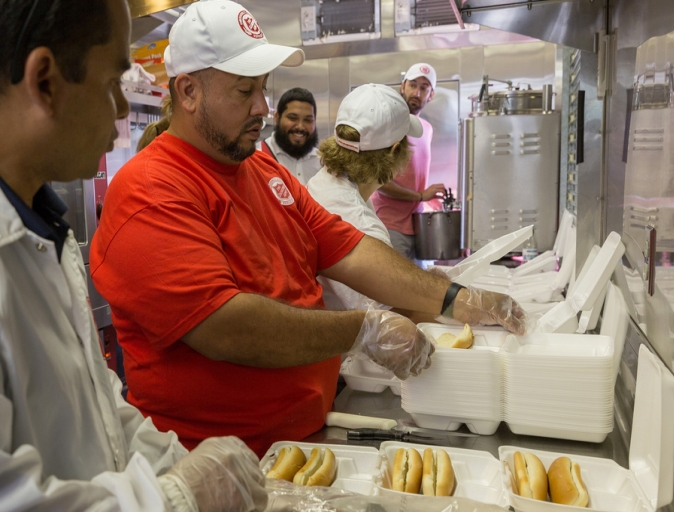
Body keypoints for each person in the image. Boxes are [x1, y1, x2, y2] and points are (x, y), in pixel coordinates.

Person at [90, 0, 528, 458]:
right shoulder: (151, 188)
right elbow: (224, 327)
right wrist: (361, 330)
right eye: (245, 92)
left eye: (263, 88)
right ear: (188, 91)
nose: (263, 108)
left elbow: (350, 249)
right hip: (217, 465)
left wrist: (456, 299)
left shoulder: (262, 168)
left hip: (303, 444)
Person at [0, 0, 267, 510]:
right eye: (111, 84)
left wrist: (183, 460)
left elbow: (98, 409)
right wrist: (172, 496)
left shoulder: (42, 229)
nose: (124, 110)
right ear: (45, 81)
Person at [308, 83, 417, 310]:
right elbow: (386, 319)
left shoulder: (327, 181)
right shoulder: (363, 227)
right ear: (394, 150)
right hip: (345, 341)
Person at [371, 63, 446, 260]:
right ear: (402, 86)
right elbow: (380, 182)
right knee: (393, 288)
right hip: (389, 225)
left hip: (418, 226)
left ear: (431, 95)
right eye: (412, 85)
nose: (416, 92)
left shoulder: (426, 129)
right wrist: (420, 196)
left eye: (423, 88)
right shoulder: (389, 125)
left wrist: (428, 200)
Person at [260, 87, 321, 185]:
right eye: (293, 118)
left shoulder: (323, 163)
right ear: (277, 118)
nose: (300, 127)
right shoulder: (256, 156)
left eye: (308, 120)